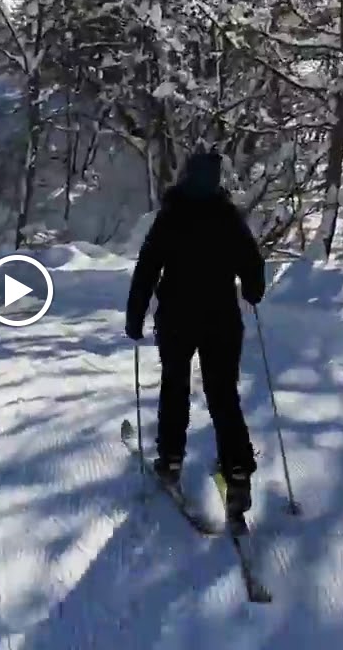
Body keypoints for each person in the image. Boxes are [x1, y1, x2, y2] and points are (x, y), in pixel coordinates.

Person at [124, 150, 266, 517]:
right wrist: (253, 289)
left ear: (186, 175)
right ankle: (236, 471)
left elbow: (147, 267)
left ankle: (170, 459)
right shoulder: (227, 216)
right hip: (221, 318)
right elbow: (252, 263)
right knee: (223, 394)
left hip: (177, 318)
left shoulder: (171, 216)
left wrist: (135, 316)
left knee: (175, 386)